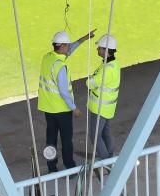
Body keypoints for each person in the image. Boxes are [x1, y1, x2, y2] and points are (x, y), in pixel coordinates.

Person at [37, 29, 94, 172]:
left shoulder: (47, 58)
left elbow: (70, 50)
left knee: (51, 140)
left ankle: (52, 167)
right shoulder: (60, 66)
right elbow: (63, 91)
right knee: (66, 140)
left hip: (48, 108)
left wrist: (83, 39)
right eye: (67, 45)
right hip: (62, 110)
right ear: (61, 46)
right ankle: (69, 166)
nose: (69, 48)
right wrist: (74, 108)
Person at [86, 34, 121, 163]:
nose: (97, 50)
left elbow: (90, 83)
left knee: (95, 136)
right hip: (107, 107)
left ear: (106, 50)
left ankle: (106, 162)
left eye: (99, 48)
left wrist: (90, 79)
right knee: (105, 133)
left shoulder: (107, 69)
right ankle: (110, 157)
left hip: (99, 107)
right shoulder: (113, 64)